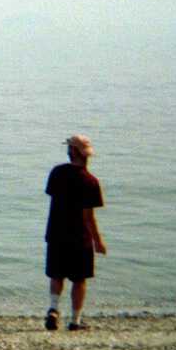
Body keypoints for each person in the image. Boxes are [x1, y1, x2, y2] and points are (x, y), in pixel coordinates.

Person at [44, 134, 106, 331]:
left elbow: (53, 196)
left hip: (55, 233)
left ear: (71, 152)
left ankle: (53, 309)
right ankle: (75, 321)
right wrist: (98, 241)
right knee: (79, 281)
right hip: (80, 238)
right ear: (85, 154)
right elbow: (89, 217)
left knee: (57, 275)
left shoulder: (57, 173)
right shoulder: (91, 181)